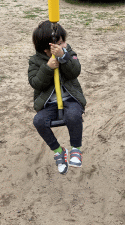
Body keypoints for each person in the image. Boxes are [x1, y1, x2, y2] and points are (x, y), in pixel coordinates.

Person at [28, 20, 86, 175]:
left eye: (64, 41)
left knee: (73, 115)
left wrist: (64, 57)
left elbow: (75, 72)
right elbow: (35, 83)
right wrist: (47, 68)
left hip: (71, 99)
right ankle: (59, 151)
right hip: (50, 104)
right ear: (48, 49)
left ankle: (76, 149)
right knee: (38, 121)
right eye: (60, 43)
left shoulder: (68, 52)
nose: (64, 44)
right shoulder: (35, 61)